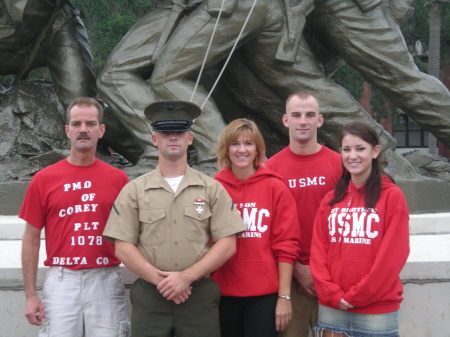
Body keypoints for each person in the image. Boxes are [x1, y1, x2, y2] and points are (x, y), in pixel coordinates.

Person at [103, 100, 245, 337]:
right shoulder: (135, 190)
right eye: (165, 132)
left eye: (179, 131)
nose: (173, 137)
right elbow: (122, 245)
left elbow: (228, 243)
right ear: (154, 139)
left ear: (189, 138)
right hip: (151, 298)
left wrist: (186, 278)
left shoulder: (211, 188)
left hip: (198, 297)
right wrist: (163, 282)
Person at [20, 97, 130, 337]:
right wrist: (30, 295)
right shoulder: (44, 179)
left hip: (105, 277)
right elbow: (31, 238)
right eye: (76, 123)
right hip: (62, 279)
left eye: (90, 123)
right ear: (67, 130)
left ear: (101, 130)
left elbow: (131, 235)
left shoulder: (118, 179)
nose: (83, 129)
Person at [310, 122, 410, 337]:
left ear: (375, 151)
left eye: (360, 148)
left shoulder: (392, 197)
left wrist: (357, 295)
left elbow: (393, 256)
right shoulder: (330, 200)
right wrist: (333, 294)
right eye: (346, 149)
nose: (352, 156)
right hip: (333, 308)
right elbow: (318, 252)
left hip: (375, 312)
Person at [213, 118, 300, 337]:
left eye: (248, 143)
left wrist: (284, 297)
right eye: (235, 144)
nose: (242, 150)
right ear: (226, 149)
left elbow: (286, 246)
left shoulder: (275, 187)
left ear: (257, 149)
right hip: (223, 295)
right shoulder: (213, 189)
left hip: (264, 296)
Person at [265, 92, 342, 337]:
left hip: (333, 277)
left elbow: (348, 223)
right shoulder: (270, 169)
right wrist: (297, 268)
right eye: (296, 115)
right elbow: (268, 227)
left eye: (310, 115)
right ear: (285, 120)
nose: (303, 121)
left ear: (320, 120)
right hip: (290, 278)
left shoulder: (340, 165)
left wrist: (321, 270)